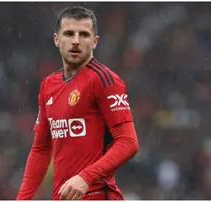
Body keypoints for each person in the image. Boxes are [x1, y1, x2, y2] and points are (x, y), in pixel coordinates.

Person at [16, 5, 139, 200]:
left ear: (95, 41)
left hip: (97, 195)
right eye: (69, 34)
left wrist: (85, 177)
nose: (75, 41)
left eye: (83, 35)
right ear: (57, 40)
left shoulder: (105, 81)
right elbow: (41, 148)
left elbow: (129, 143)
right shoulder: (48, 85)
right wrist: (23, 198)